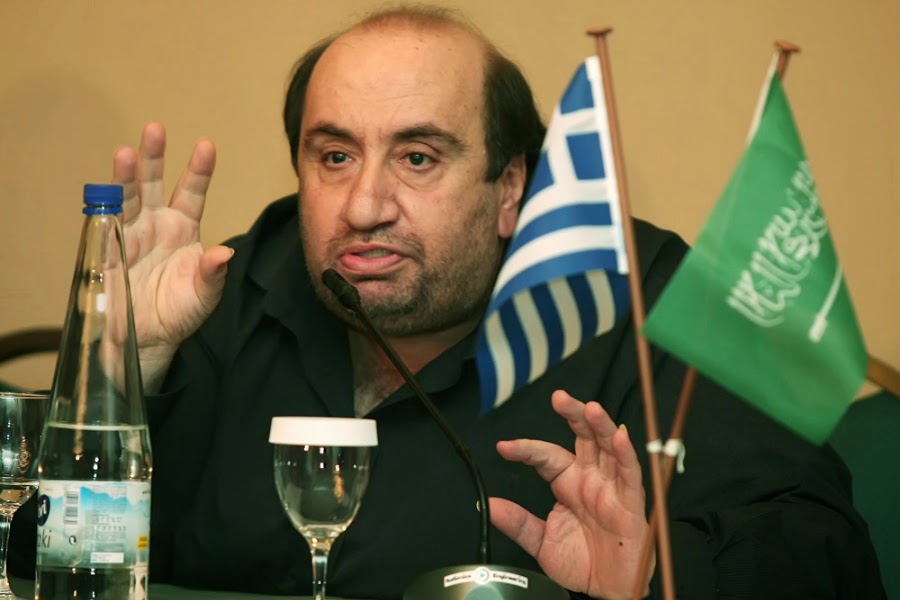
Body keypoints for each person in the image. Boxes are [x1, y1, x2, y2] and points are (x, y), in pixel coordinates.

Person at [11, 5, 885, 600]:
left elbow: (830, 558)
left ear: (511, 189)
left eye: (418, 157)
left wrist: (656, 575)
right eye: (335, 156)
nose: (364, 206)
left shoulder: (641, 297)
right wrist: (121, 368)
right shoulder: (220, 293)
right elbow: (48, 563)